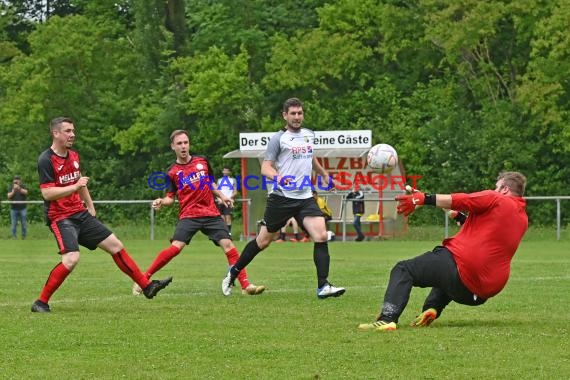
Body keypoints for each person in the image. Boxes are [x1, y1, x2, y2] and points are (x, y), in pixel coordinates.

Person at [31, 117, 172, 313]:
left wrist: (90, 205)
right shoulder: (46, 159)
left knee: (116, 246)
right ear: (56, 133)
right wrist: (75, 186)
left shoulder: (73, 156)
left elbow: (80, 183)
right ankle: (41, 302)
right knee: (71, 259)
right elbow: (47, 193)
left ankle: (146, 286)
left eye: (73, 130)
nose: (73, 134)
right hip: (61, 217)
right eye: (68, 131)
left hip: (80, 213)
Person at [358, 171, 528, 331]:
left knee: (403, 269)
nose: (493, 190)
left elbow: (463, 199)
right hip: (479, 293)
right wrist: (461, 218)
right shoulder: (522, 218)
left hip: (463, 270)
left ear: (505, 189)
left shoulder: (496, 199)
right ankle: (433, 307)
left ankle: (388, 318)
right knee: (444, 274)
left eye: (496, 186)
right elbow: (489, 228)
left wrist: (423, 199)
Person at [222, 97, 345, 299]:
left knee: (321, 235)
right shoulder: (278, 139)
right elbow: (265, 167)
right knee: (263, 241)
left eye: (300, 113)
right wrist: (279, 178)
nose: (297, 117)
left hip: (305, 197)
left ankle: (323, 286)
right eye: (293, 113)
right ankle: (233, 272)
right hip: (282, 198)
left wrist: (324, 175)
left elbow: (311, 157)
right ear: (285, 116)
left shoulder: (308, 135)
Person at [132, 130, 265, 296]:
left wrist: (222, 196)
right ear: (173, 146)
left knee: (229, 245)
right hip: (189, 215)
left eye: (186, 142)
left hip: (211, 213)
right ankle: (143, 280)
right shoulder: (172, 172)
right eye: (179, 143)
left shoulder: (202, 161)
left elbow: (210, 183)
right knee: (175, 247)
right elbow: (170, 197)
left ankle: (246, 285)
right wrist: (161, 201)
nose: (183, 146)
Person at [216, 166, 238, 236]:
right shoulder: (219, 180)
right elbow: (217, 191)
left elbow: (235, 192)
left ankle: (229, 233)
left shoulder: (232, 180)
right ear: (222, 172)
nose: (225, 172)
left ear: (229, 172)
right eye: (224, 170)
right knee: (221, 218)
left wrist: (229, 198)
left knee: (228, 217)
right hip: (220, 201)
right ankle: (222, 232)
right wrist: (219, 198)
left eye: (226, 171)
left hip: (228, 202)